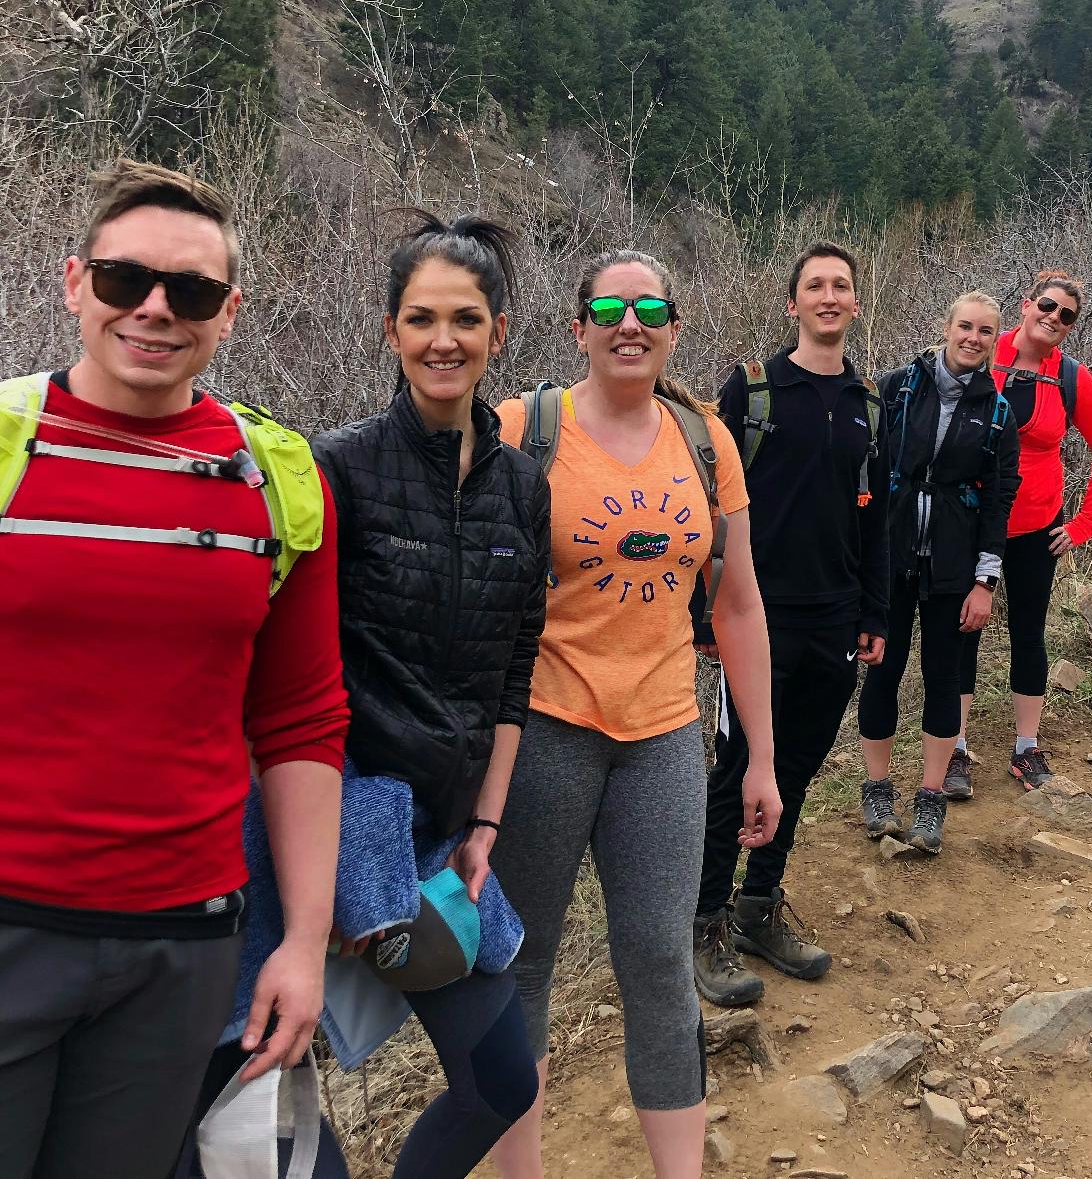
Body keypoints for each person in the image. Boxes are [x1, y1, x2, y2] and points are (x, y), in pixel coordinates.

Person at [0, 161, 348, 1179]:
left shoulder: (274, 477)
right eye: (124, 281)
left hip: (183, 946)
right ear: (74, 283)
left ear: (229, 313)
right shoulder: (12, 442)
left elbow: (301, 719)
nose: (154, 310)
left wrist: (303, 941)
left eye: (190, 292)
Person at [491, 249, 779, 1179]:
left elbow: (735, 605)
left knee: (658, 964)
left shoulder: (704, 438)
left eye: (650, 306)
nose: (630, 322)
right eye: (609, 306)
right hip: (542, 729)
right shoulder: (520, 430)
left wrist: (761, 760)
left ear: (673, 330)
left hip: (663, 735)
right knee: (521, 963)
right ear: (577, 327)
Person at [306, 213, 547, 1176]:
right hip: (344, 816)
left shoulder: (523, 487)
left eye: (465, 318)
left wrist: (486, 826)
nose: (443, 339)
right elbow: (295, 674)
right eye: (420, 318)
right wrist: (313, 850)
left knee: (500, 1081)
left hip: (447, 835)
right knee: (276, 1091)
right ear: (390, 331)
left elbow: (514, 667)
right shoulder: (342, 467)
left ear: (498, 331)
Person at [692, 241, 890, 1009]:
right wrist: (702, 610)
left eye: (842, 285)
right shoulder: (751, 392)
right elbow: (700, 508)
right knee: (734, 774)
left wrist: (873, 610)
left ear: (855, 303)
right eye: (816, 286)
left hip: (835, 618)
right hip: (752, 618)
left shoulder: (870, 405)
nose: (830, 296)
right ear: (793, 304)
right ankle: (703, 923)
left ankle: (757, 908)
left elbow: (878, 520)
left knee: (797, 769)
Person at [856, 292, 1020, 854]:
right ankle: (877, 789)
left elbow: (1000, 500)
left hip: (954, 563)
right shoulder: (899, 387)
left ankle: (930, 798)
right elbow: (869, 467)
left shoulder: (998, 411)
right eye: (965, 327)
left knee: (944, 678)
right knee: (883, 668)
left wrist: (986, 582)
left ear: (996, 342)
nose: (974, 338)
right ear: (946, 328)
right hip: (891, 553)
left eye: (985, 332)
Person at [956, 270, 1092, 794]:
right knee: (963, 633)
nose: (1054, 318)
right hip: (970, 520)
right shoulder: (982, 349)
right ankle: (954, 746)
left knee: (1028, 634)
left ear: (1070, 327)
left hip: (1036, 527)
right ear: (1027, 306)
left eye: (1066, 315)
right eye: (1048, 307)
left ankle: (1026, 748)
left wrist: (1083, 524)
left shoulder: (1071, 377)